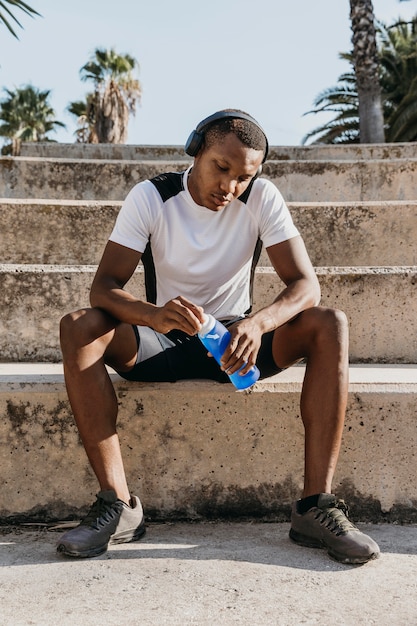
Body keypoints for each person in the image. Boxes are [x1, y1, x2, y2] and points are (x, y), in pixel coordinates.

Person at [57, 109, 380, 564]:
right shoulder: (151, 197)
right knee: (79, 326)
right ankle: (118, 505)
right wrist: (152, 315)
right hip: (161, 341)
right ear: (196, 153)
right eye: (221, 168)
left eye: (244, 177)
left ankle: (315, 508)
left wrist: (258, 323)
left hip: (233, 347)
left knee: (330, 323)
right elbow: (103, 288)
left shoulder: (263, 198)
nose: (230, 187)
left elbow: (306, 285)